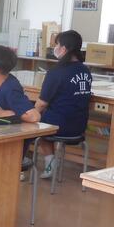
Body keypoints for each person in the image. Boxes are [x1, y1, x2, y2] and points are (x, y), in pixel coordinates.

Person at [33, 30, 92, 178]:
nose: (55, 48)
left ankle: (48, 164)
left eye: (57, 45)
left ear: (64, 49)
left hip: (59, 125)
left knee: (33, 122)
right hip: (80, 126)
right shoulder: (85, 70)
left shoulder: (56, 72)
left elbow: (41, 104)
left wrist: (30, 114)